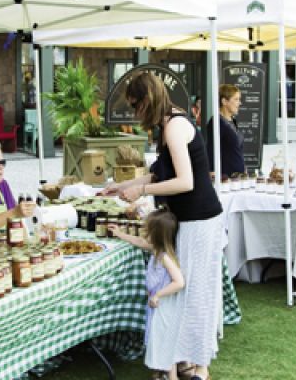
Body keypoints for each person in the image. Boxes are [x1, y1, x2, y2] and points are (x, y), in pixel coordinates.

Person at [99, 72, 224, 380]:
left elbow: (185, 182)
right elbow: (159, 174)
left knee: (195, 293)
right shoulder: (168, 124)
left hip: (200, 219)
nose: (134, 113)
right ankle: (183, 361)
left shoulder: (174, 127)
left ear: (148, 99)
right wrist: (121, 186)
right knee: (184, 292)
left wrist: (140, 191)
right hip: (187, 219)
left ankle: (200, 367)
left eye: (135, 105)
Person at [109, 208, 185, 380]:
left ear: (157, 235)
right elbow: (139, 242)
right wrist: (119, 234)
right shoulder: (156, 250)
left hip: (164, 306)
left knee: (165, 341)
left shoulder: (165, 257)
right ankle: (161, 372)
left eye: (148, 231)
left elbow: (179, 282)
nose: (144, 233)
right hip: (156, 305)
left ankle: (172, 376)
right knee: (157, 338)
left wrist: (158, 295)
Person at [205, 84, 245, 178]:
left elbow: (236, 150)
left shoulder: (233, 121)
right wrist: (211, 170)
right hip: (225, 177)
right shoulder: (216, 122)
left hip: (238, 176)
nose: (239, 103)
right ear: (224, 101)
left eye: (239, 99)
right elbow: (211, 148)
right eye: (236, 99)